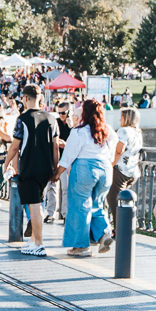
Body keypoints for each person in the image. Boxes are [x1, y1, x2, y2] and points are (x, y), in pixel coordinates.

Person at [54, 98, 117, 257]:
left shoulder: (79, 131)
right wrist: (109, 160)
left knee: (79, 207)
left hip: (85, 169)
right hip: (105, 169)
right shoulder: (106, 129)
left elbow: (67, 157)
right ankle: (104, 234)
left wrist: (56, 174)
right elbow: (115, 142)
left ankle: (80, 247)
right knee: (97, 204)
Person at [2, 84, 59, 258]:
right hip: (46, 168)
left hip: (29, 167)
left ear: (25, 98)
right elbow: (55, 146)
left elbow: (15, 146)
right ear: (39, 97)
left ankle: (39, 244)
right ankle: (34, 240)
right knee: (38, 203)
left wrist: (6, 163)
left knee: (34, 205)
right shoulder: (51, 118)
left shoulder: (23, 119)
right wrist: (55, 169)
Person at [105, 107, 142, 238]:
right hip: (132, 171)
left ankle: (119, 230)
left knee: (114, 201)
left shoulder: (124, 131)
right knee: (124, 201)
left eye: (121, 116)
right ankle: (125, 228)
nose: (119, 119)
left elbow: (119, 150)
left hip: (120, 171)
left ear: (126, 118)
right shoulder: (137, 132)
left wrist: (111, 165)